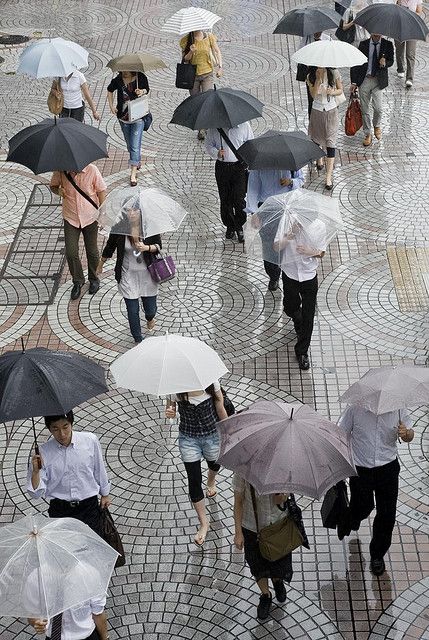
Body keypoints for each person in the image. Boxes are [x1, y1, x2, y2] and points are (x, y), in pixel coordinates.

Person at [339, 405, 414, 576]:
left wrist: (406, 434)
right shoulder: (355, 409)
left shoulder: (397, 408)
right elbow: (341, 433)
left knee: (387, 514)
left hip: (388, 468)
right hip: (361, 469)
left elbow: (410, 433)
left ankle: (377, 555)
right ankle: (353, 517)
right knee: (363, 506)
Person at [27, 411, 111, 535]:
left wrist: (105, 494)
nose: (62, 434)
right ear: (49, 429)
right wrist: (35, 472)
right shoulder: (43, 452)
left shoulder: (90, 440)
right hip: (60, 510)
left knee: (92, 546)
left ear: (71, 423)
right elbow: (36, 493)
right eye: (55, 429)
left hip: (88, 506)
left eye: (65, 427)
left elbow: (99, 468)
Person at [165, 382, 228, 546]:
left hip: (212, 436)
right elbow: (170, 411)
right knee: (193, 480)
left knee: (215, 464)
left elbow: (220, 407)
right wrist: (170, 413)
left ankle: (211, 480)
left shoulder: (211, 382)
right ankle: (204, 523)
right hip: (188, 439)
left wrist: (230, 431)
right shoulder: (175, 387)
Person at [98, 203, 161, 343]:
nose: (132, 213)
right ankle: (138, 338)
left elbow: (158, 246)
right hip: (128, 275)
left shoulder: (150, 226)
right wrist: (100, 264)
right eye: (128, 210)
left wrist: (146, 247)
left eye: (135, 210)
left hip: (148, 274)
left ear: (141, 211)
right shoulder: (119, 228)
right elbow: (110, 247)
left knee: (150, 310)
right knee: (132, 310)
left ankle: (150, 318)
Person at [233, 476, 294, 620]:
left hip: (278, 525)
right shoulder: (243, 469)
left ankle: (277, 581)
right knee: (257, 565)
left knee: (279, 561)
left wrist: (284, 496)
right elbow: (238, 501)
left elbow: (289, 492)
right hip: (252, 527)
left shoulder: (282, 466)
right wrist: (238, 533)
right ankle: (266, 594)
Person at [273, 213, 326, 370]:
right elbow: (276, 246)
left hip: (309, 275)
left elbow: (321, 252)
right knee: (290, 306)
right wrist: (289, 235)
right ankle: (298, 319)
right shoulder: (287, 220)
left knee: (309, 315)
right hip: (290, 273)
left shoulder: (319, 226)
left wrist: (311, 251)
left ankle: (302, 352)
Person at [50, 164, 106, 300]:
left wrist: (102, 213)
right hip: (71, 217)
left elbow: (101, 191)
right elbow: (53, 186)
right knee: (71, 251)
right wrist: (58, 191)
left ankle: (94, 279)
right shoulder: (61, 170)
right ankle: (78, 281)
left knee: (92, 251)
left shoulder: (92, 170)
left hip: (90, 217)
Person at [246, 168, 304, 291]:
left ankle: (288, 274)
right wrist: (254, 212)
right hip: (266, 208)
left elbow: (301, 180)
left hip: (287, 207)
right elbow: (252, 188)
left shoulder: (290, 163)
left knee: (287, 241)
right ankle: (273, 275)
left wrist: (291, 182)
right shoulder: (259, 164)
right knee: (268, 244)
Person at [205, 122, 254, 242]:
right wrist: (216, 152)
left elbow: (251, 144)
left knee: (239, 198)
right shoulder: (214, 128)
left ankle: (240, 226)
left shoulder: (244, 126)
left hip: (239, 168)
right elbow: (208, 145)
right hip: (222, 167)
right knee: (225, 199)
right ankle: (230, 226)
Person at [350, 34, 394, 146]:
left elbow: (391, 61)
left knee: (378, 108)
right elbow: (356, 62)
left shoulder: (387, 44)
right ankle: (367, 133)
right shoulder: (363, 44)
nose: (376, 33)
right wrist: (354, 82)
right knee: (364, 109)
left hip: (378, 81)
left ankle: (377, 125)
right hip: (365, 79)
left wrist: (385, 63)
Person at [107, 71, 150, 186]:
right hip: (123, 117)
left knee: (135, 146)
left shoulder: (140, 77)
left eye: (126, 69)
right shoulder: (118, 79)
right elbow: (109, 90)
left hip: (138, 117)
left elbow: (147, 89)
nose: (124, 72)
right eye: (122, 70)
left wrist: (141, 91)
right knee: (129, 144)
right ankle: (136, 160)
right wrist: (111, 106)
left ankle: (133, 174)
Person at [180, 30, 223, 140]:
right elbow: (185, 59)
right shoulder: (186, 40)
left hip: (207, 73)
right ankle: (201, 125)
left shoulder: (209, 37)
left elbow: (217, 51)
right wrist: (190, 52)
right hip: (192, 76)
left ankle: (203, 128)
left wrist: (220, 67)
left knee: (207, 100)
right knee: (196, 102)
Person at [306, 66, 343, 189]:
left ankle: (328, 177)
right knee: (316, 139)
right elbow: (313, 94)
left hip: (331, 110)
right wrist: (318, 79)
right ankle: (319, 159)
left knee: (330, 142)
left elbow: (340, 90)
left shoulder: (334, 72)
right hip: (317, 111)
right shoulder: (310, 75)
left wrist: (331, 92)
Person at [28, 596, 108, 640]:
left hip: (86, 637)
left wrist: (105, 637)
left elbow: (98, 613)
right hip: (53, 638)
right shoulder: (36, 578)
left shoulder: (90, 575)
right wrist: (36, 622)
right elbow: (32, 613)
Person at [296, 32, 331, 118]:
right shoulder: (306, 39)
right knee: (312, 100)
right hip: (312, 73)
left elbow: (332, 56)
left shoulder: (328, 39)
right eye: (316, 32)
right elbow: (300, 55)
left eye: (320, 31)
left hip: (325, 72)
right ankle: (312, 120)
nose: (317, 33)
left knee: (326, 99)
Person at [395, 0, 423, 88]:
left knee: (410, 53)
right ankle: (400, 68)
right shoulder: (399, 0)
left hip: (412, 28)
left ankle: (409, 78)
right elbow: (394, 11)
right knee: (399, 49)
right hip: (399, 27)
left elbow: (419, 12)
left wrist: (410, 14)